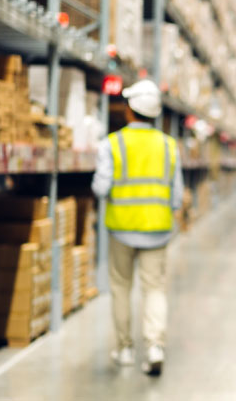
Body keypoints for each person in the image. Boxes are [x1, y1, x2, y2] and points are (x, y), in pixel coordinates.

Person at [92, 79, 184, 376]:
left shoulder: (112, 143)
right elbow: (178, 196)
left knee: (121, 289)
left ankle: (125, 349)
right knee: (154, 288)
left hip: (121, 228)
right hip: (157, 230)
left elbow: (101, 187)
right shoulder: (170, 146)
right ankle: (155, 346)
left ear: (130, 110)